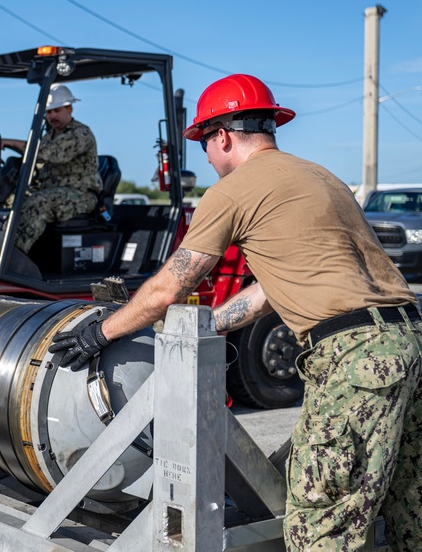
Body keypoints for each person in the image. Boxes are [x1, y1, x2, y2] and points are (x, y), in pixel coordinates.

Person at [48, 74, 422, 551]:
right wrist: (205, 327)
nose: (205, 156)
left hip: (359, 360)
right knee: (407, 500)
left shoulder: (233, 191)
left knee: (321, 514)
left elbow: (170, 285)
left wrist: (100, 332)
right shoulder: (320, 177)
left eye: (205, 141)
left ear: (223, 135)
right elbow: (269, 291)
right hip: (408, 339)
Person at [1, 83, 103, 253]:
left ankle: (14, 257)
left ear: (69, 109)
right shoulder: (50, 135)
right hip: (55, 191)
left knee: (38, 203)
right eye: (49, 112)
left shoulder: (80, 133)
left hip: (80, 195)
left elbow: (52, 153)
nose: (52, 116)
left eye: (57, 111)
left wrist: (10, 142)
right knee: (10, 200)